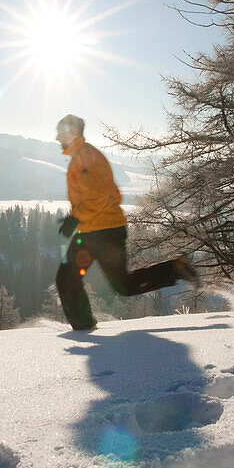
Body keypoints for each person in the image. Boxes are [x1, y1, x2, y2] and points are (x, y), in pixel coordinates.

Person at [54, 114, 199, 331]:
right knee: (117, 284)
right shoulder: (82, 157)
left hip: (103, 231)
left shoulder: (85, 157)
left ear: (70, 133)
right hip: (96, 229)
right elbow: (93, 196)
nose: (57, 137)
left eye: (60, 132)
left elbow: (99, 195)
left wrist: (76, 216)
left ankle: (83, 328)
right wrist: (76, 216)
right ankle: (175, 268)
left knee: (85, 280)